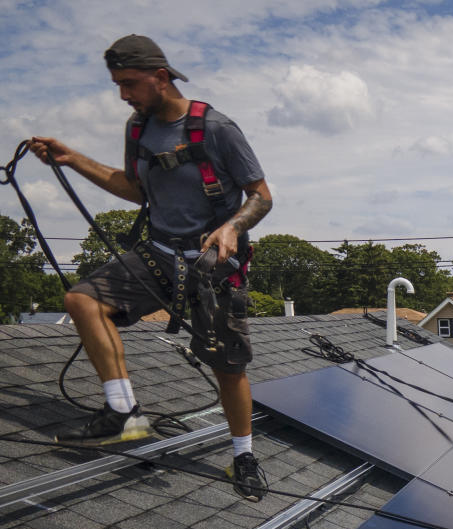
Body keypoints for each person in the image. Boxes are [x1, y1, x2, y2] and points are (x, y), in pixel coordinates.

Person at [30, 34, 273, 501]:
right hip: (158, 254)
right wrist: (72, 158)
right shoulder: (138, 129)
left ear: (160, 78)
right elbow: (135, 189)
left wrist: (231, 227)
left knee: (227, 366)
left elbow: (261, 194)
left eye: (129, 83)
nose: (123, 94)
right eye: (117, 84)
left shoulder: (218, 129)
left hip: (213, 266)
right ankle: (123, 412)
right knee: (82, 299)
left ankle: (243, 454)